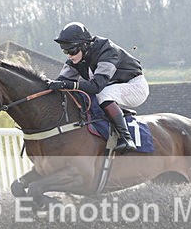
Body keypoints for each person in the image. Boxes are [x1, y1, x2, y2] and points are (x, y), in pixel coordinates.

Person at [49, 22, 149, 153]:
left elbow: (96, 86)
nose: (69, 55)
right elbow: (61, 81)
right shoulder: (76, 59)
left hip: (135, 86)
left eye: (72, 51)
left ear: (84, 45)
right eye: (65, 51)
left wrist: (68, 85)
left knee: (103, 94)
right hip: (112, 87)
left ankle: (126, 138)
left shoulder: (107, 51)